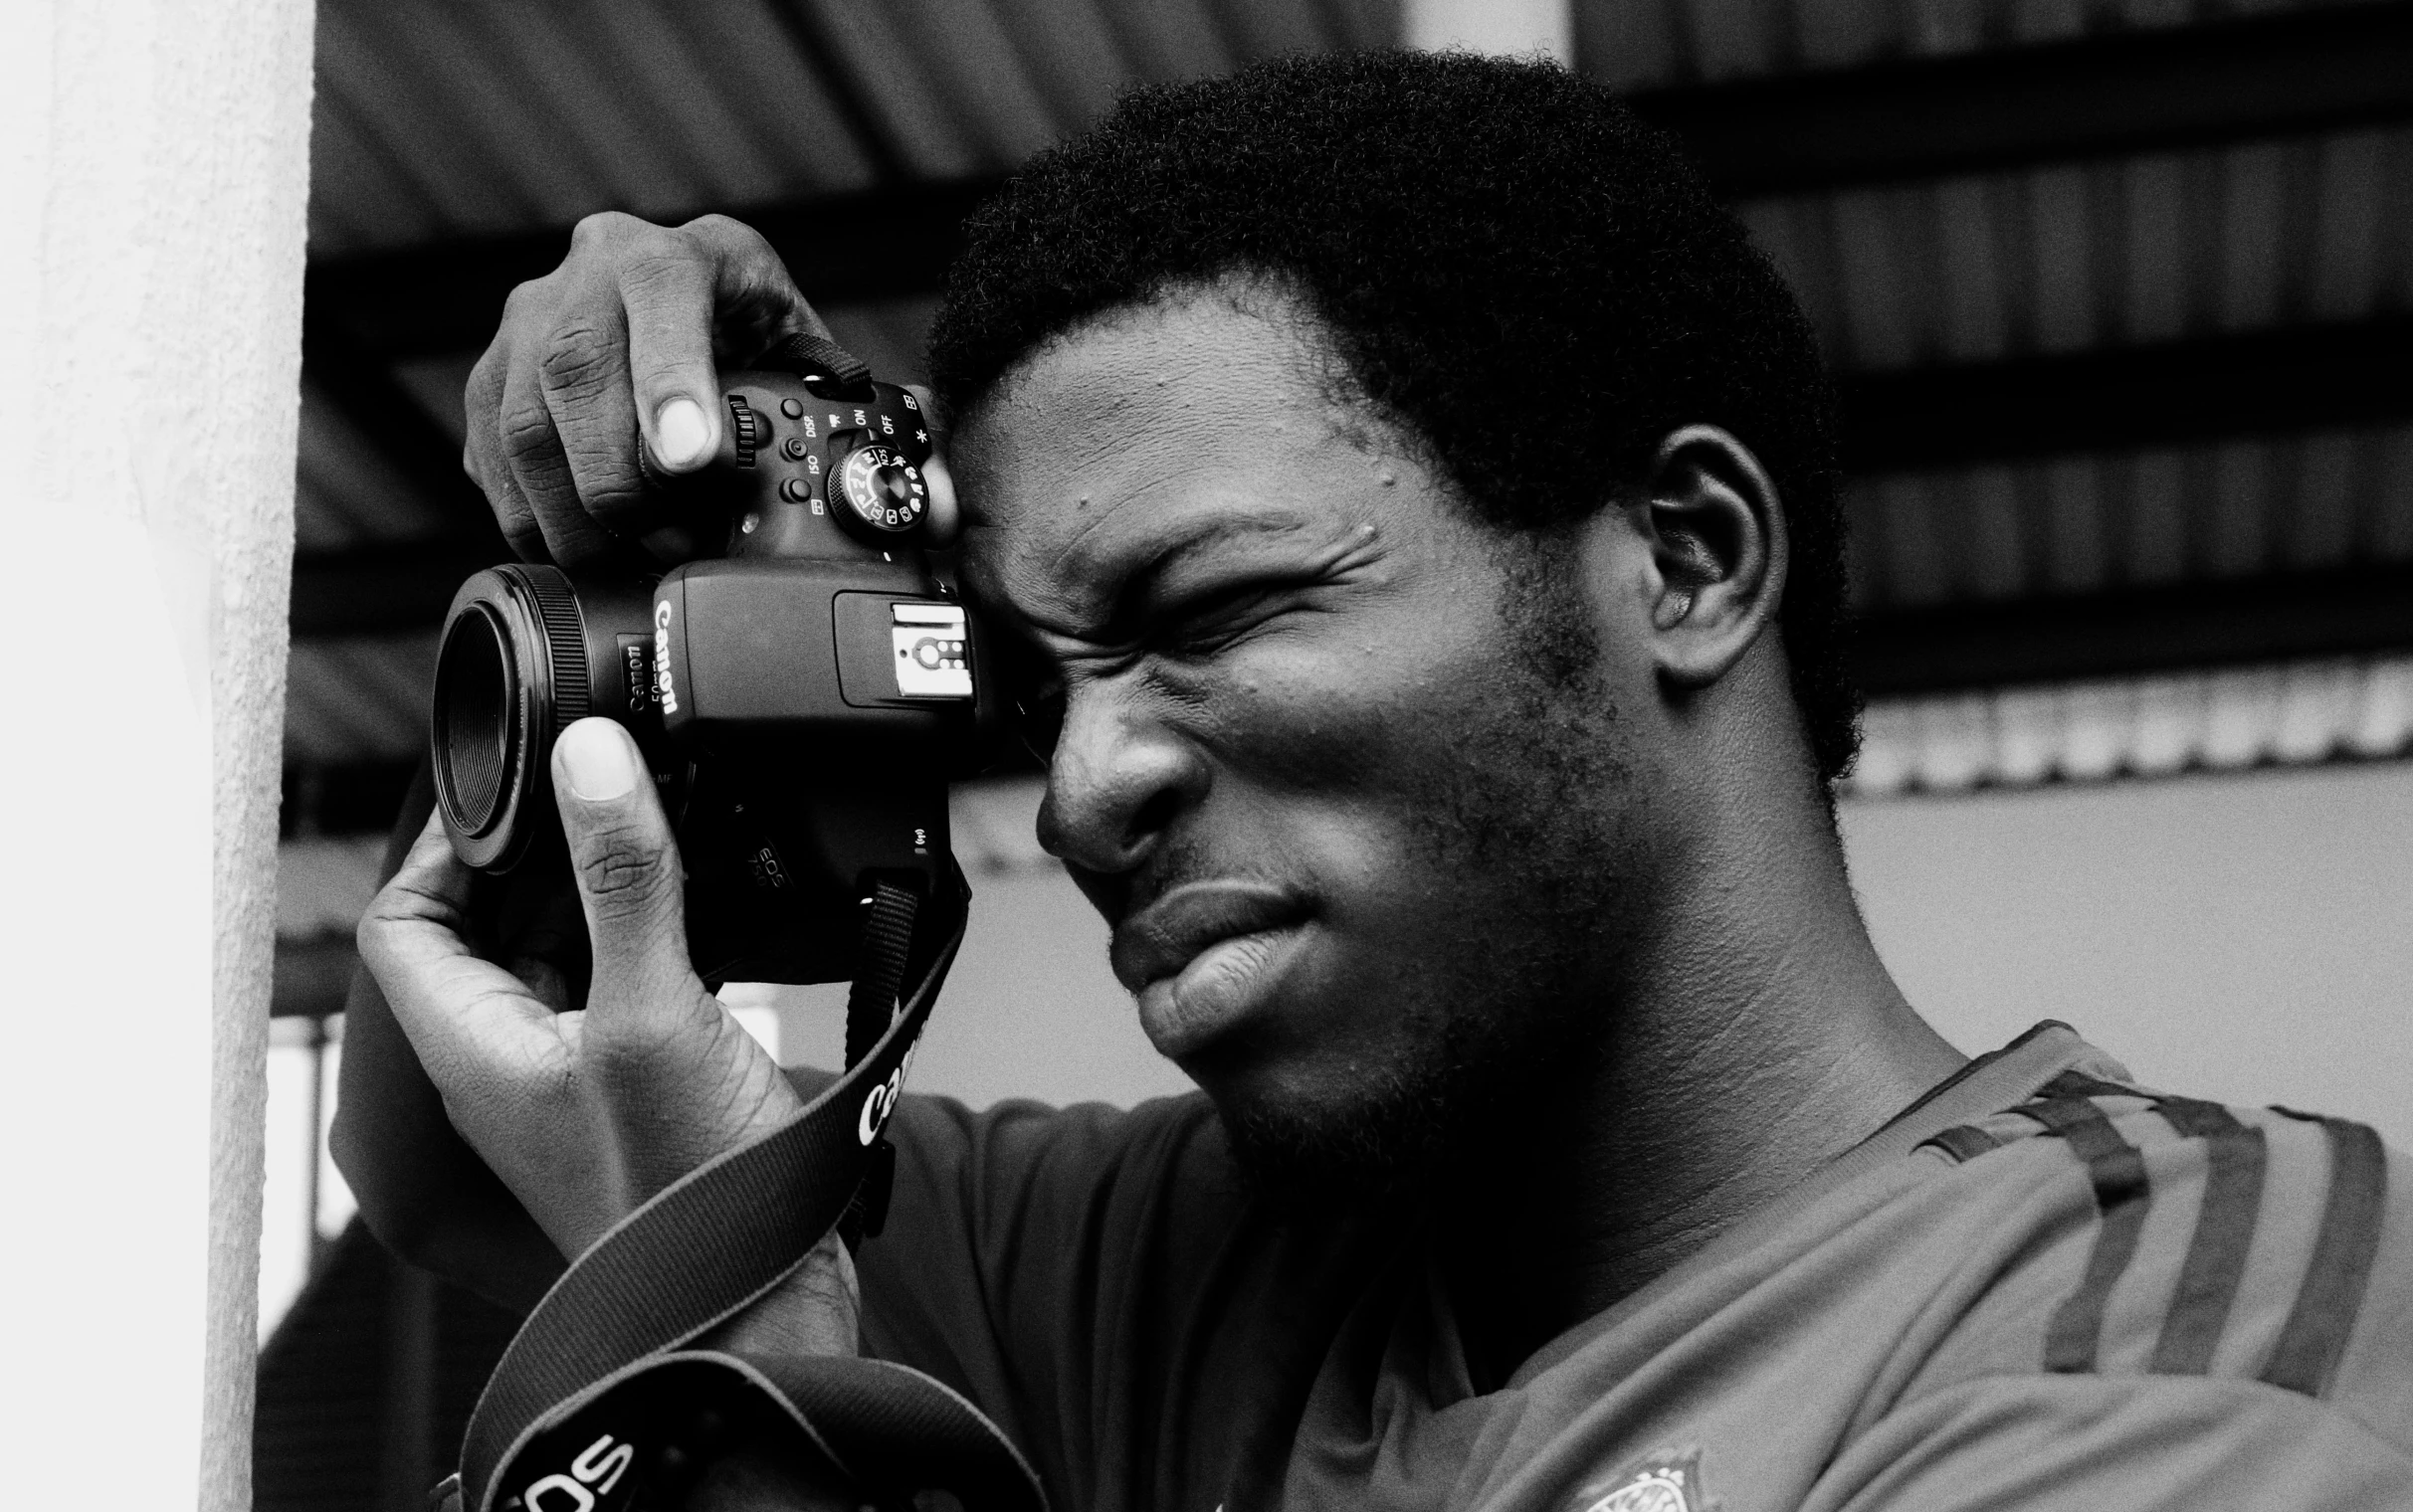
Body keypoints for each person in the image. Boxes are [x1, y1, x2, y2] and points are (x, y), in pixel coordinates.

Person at [345, 51, 2412, 1511]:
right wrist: (662, 582)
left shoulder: (2169, 1324)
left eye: (1213, 611)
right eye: (1036, 680)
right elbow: (471, 1141)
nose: (1082, 786)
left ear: (1685, 565)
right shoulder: (1190, 1264)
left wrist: (760, 1416)